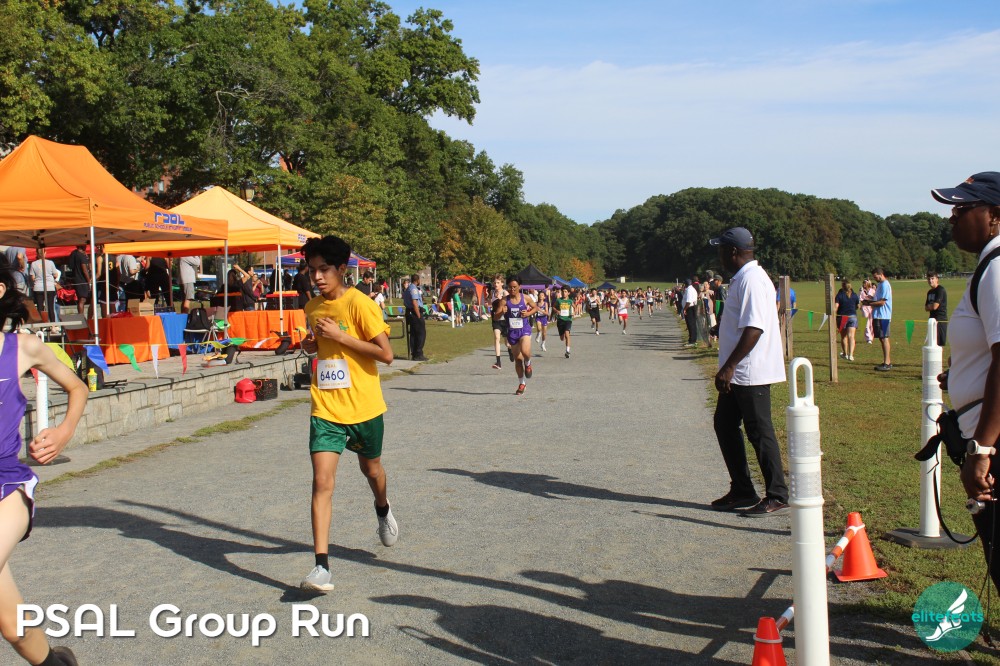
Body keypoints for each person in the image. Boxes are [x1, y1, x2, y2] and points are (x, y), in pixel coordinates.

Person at [0, 257, 88, 666]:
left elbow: (77, 387)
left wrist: (63, 431)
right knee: (12, 627)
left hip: (7, 486)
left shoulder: (23, 348)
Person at [297, 236, 397, 594]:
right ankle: (321, 567)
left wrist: (340, 336)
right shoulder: (311, 308)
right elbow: (322, 347)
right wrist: (312, 345)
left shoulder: (361, 304)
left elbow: (386, 355)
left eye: (324, 269)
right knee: (321, 482)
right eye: (312, 270)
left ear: (342, 269)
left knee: (372, 470)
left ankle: (382, 508)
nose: (317, 277)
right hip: (326, 407)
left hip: (364, 407)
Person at [930, 171, 1000, 594]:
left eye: (962, 208)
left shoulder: (997, 267)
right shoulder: (988, 266)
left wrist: (983, 449)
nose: (952, 218)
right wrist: (960, 375)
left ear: (995, 215)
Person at [708, 227, 789, 516]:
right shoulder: (743, 278)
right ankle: (742, 489)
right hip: (739, 371)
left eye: (721, 250)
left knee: (759, 431)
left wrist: (729, 366)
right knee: (724, 424)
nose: (719, 256)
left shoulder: (753, 279)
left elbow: (755, 327)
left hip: (750, 370)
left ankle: (777, 494)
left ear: (733, 251)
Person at [494, 277, 537, 395]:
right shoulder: (504, 301)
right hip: (512, 332)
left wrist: (528, 313)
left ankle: (528, 363)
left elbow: (535, 308)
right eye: (510, 287)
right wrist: (501, 312)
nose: (512, 289)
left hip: (524, 329)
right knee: (518, 360)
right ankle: (522, 383)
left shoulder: (525, 298)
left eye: (514, 287)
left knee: (525, 352)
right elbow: (496, 317)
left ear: (519, 287)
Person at [862, 268, 893, 371]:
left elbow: (882, 302)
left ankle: (887, 363)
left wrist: (869, 303)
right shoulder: (880, 285)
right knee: (881, 338)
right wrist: (868, 300)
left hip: (883, 316)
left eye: (875, 277)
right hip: (878, 315)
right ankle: (886, 361)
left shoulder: (885, 285)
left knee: (884, 338)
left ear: (880, 274)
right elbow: (876, 299)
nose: (875, 279)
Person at [403, 273, 427, 361]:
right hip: (414, 312)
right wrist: (418, 315)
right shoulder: (413, 289)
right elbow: (414, 303)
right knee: (421, 333)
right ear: (417, 280)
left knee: (413, 334)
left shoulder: (408, 288)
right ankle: (418, 353)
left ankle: (414, 353)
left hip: (409, 312)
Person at [834, 279, 860, 361]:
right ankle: (851, 355)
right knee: (851, 336)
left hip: (842, 317)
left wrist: (832, 313)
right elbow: (858, 306)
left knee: (844, 337)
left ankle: (845, 354)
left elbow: (836, 306)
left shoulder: (839, 295)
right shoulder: (854, 295)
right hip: (852, 317)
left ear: (842, 286)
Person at [488, 275, 508, 369]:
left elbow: (508, 305)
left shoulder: (505, 293)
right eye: (495, 282)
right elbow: (491, 304)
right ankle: (498, 362)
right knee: (497, 337)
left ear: (502, 283)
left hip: (505, 320)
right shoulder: (492, 293)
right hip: (496, 319)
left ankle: (510, 351)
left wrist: (501, 299)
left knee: (508, 344)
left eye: (498, 282)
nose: (496, 284)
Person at [65, 245, 91, 315]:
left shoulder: (73, 253)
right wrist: (89, 280)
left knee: (81, 299)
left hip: (76, 278)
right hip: (82, 279)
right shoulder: (81, 256)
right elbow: (85, 270)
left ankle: (80, 315)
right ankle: (81, 316)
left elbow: (70, 265)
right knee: (82, 299)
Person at [925, 271, 948, 347]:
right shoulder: (929, 292)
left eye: (932, 278)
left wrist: (930, 306)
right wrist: (931, 306)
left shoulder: (940, 290)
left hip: (940, 320)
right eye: (929, 279)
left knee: (939, 345)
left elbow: (935, 306)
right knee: (931, 343)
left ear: (937, 279)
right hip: (931, 320)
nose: (930, 281)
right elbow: (926, 308)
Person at [554, 286, 573, 358]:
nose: (564, 293)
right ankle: (562, 335)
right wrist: (557, 311)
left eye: (565, 292)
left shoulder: (570, 301)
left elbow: (574, 307)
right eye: (563, 291)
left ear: (568, 293)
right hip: (560, 320)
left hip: (568, 320)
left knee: (567, 334)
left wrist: (573, 312)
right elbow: (554, 307)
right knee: (562, 338)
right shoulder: (558, 300)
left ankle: (567, 351)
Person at [682, 279, 698, 346]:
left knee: (690, 324)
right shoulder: (691, 289)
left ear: (686, 284)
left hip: (690, 308)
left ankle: (692, 341)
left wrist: (685, 309)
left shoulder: (689, 290)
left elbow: (688, 301)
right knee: (691, 324)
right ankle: (692, 339)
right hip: (691, 307)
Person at [859, 279, 876, 344]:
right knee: (866, 322)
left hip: (871, 307)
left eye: (865, 283)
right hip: (864, 307)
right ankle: (868, 338)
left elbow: (875, 298)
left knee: (871, 322)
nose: (864, 284)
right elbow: (859, 298)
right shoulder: (862, 291)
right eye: (863, 283)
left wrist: (871, 298)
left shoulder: (872, 290)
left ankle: (871, 336)